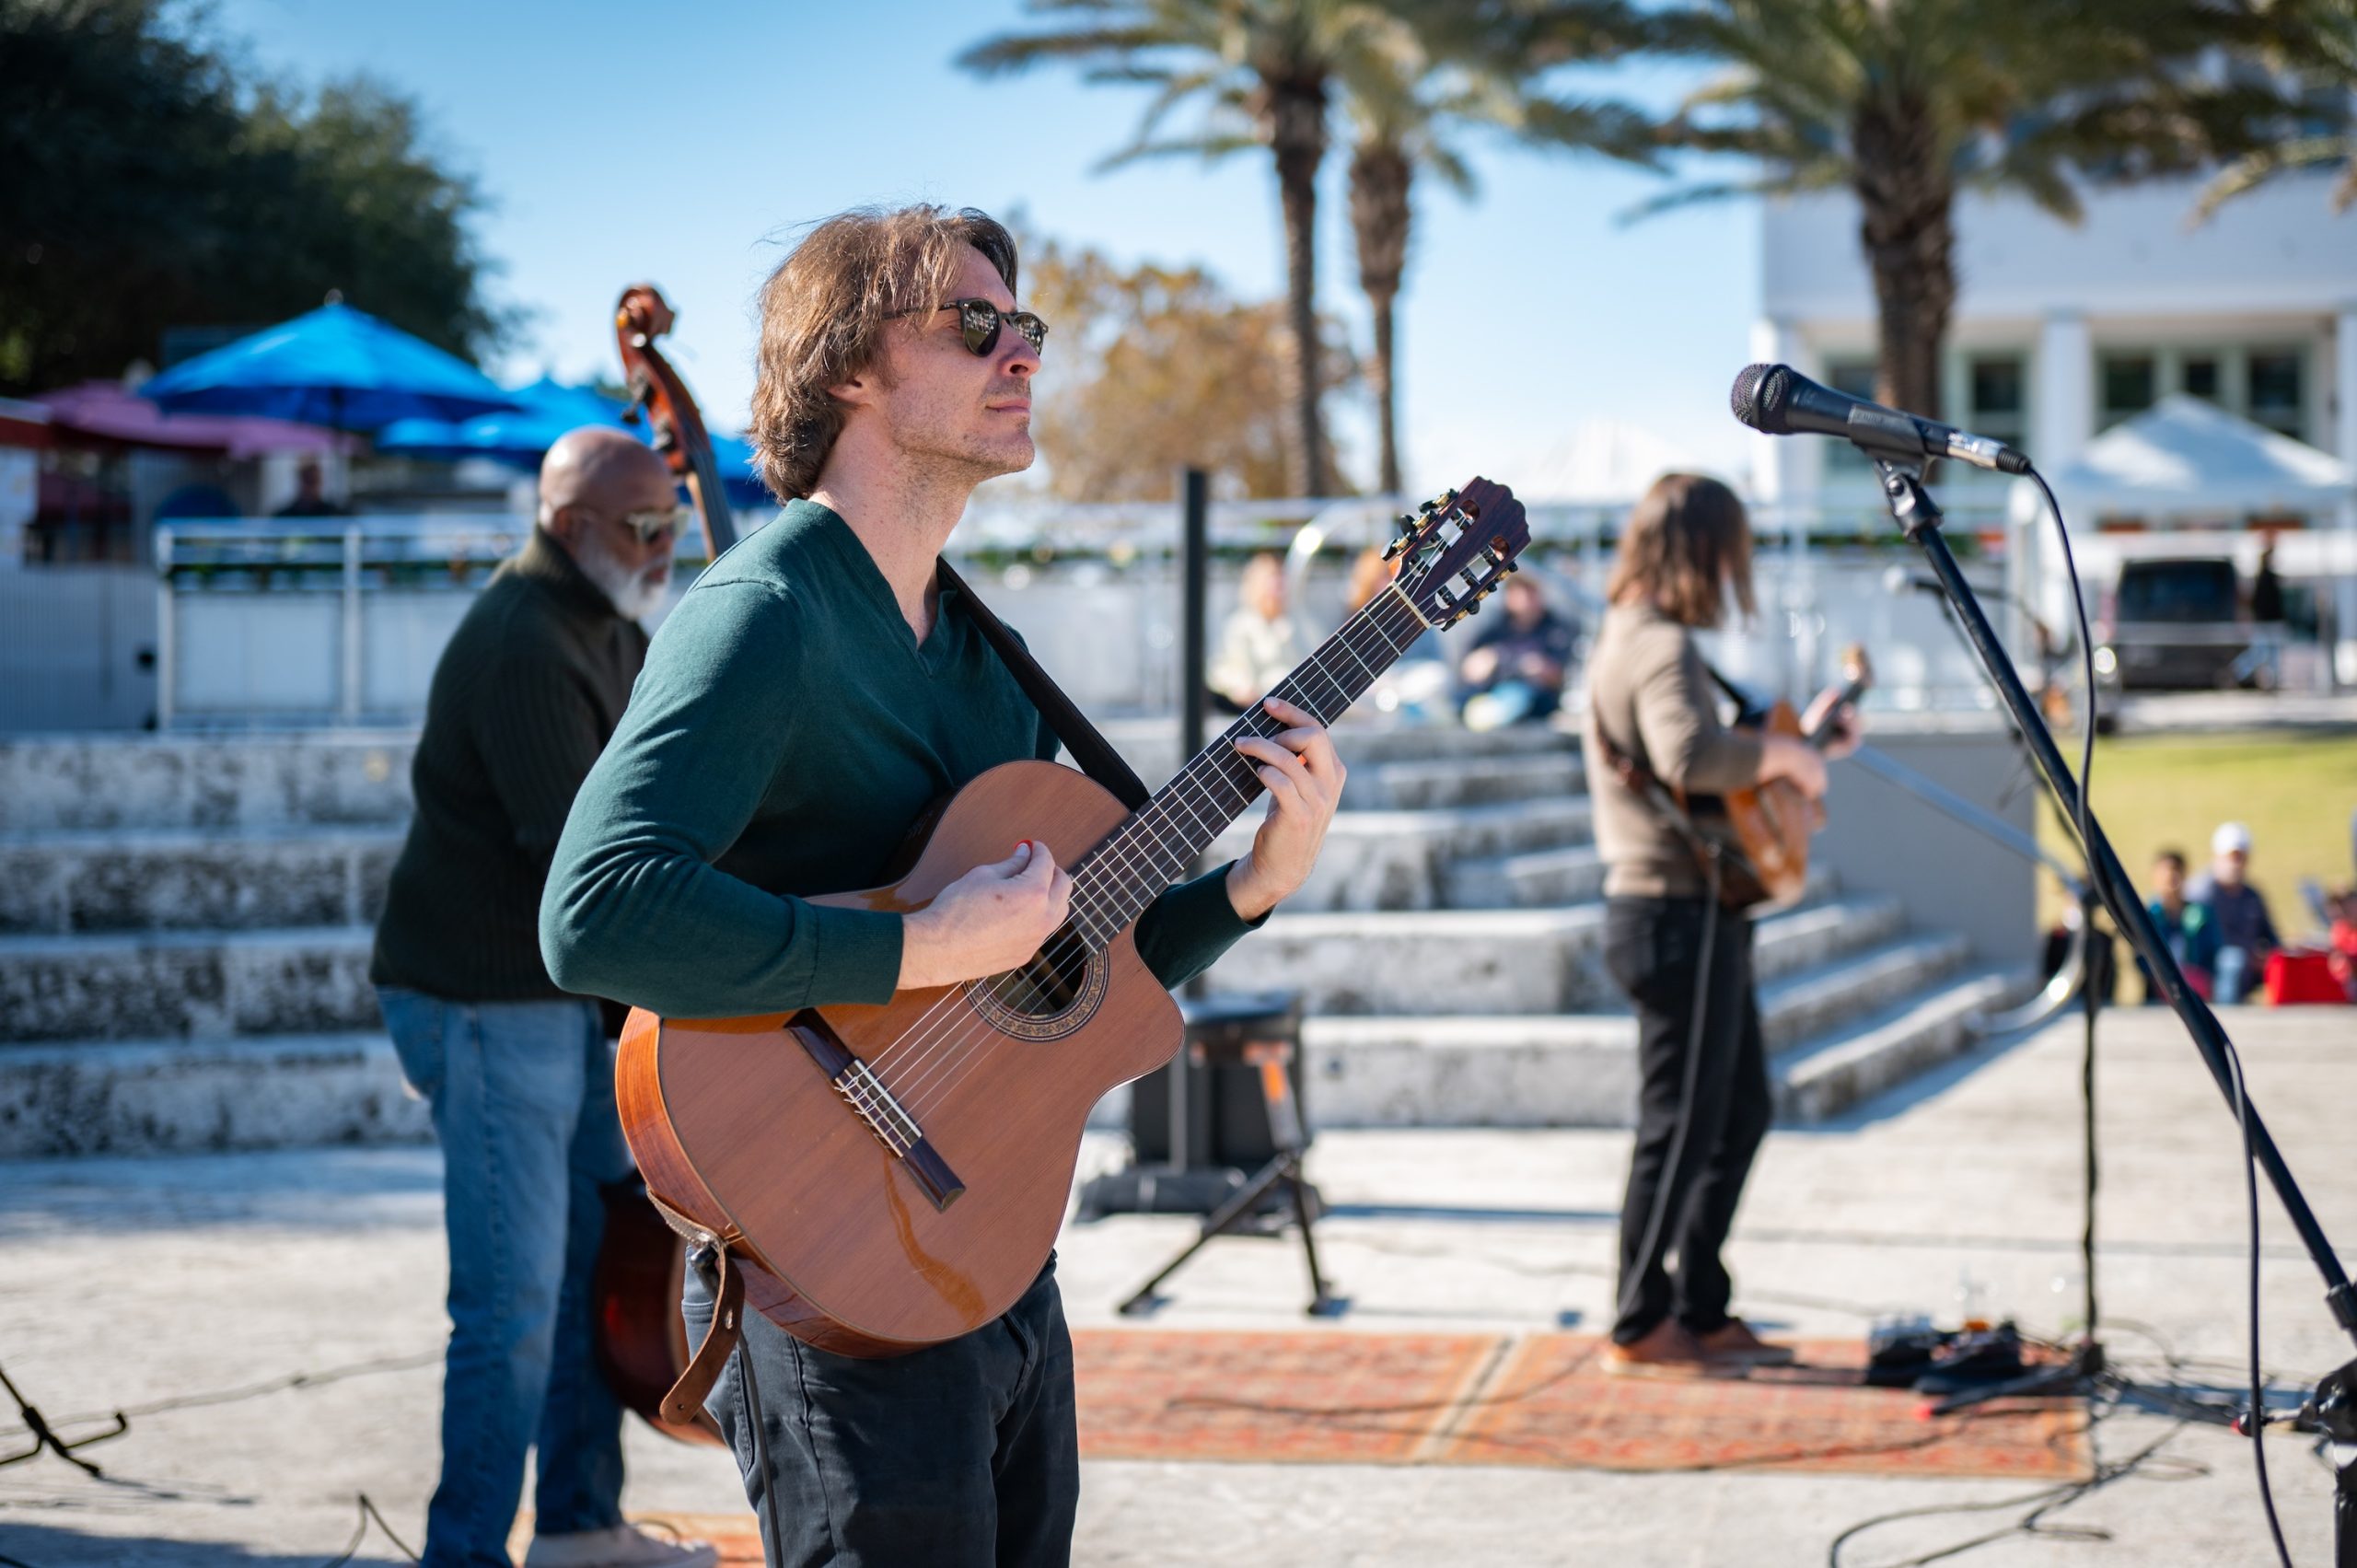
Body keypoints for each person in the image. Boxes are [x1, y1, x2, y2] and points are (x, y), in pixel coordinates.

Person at [538, 205, 1345, 1568]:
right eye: (976, 325)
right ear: (851, 366)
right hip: (825, 1264)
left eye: (1025, 326)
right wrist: (917, 949)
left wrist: (1256, 882)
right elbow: (594, 911)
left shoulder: (981, 652)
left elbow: (1060, 964)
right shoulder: (767, 613)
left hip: (992, 1254)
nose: (1020, 351)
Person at [371, 425, 707, 1568]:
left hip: (558, 1000)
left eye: (673, 522)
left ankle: (576, 1524)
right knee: (512, 1302)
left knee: (590, 1276)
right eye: (646, 526)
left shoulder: (601, 617)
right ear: (570, 527)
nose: (667, 545)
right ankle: (463, 1554)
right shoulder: (525, 638)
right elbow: (580, 853)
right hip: (480, 996)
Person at [1582, 473, 1860, 1377]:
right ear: (1703, 552)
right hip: (1671, 913)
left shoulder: (1641, 639)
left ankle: (1698, 1301)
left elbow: (1702, 769)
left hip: (1695, 911)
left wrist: (1800, 749)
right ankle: (1637, 1317)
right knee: (1680, 1122)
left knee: (1736, 1111)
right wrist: (1787, 753)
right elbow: (1691, 755)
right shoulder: (1657, 644)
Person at [1456, 574, 1575, 730]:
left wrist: (1534, 667)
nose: (1525, 599)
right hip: (1490, 692)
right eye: (1518, 593)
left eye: (1530, 593)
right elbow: (1470, 668)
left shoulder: (1556, 629)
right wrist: (1489, 661)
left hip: (1534, 700)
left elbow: (1558, 676)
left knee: (1518, 698)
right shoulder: (1494, 628)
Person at [2190, 820, 2280, 1005]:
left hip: (2248, 969)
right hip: (2211, 968)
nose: (2236, 864)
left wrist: (2266, 957)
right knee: (2232, 960)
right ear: (2217, 856)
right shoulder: (2201, 894)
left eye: (2241, 857)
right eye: (2232, 857)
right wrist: (2246, 955)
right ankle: (2228, 1015)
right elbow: (2196, 942)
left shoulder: (2252, 896)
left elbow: (2272, 939)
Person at [1207, 551, 1305, 713]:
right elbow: (1222, 670)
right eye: (1272, 580)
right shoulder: (1240, 624)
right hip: (1254, 706)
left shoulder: (1297, 621)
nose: (1278, 587)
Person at [2141, 848, 2218, 1002]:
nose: (2172, 878)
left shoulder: (2200, 915)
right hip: (2159, 986)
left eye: (2177, 872)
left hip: (2197, 983)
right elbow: (2140, 956)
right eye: (2166, 873)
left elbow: (2214, 949)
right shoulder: (2148, 916)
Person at [273, 459, 347, 518]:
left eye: (314, 481)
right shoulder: (283, 516)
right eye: (308, 481)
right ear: (300, 482)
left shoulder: (333, 514)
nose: (312, 487)